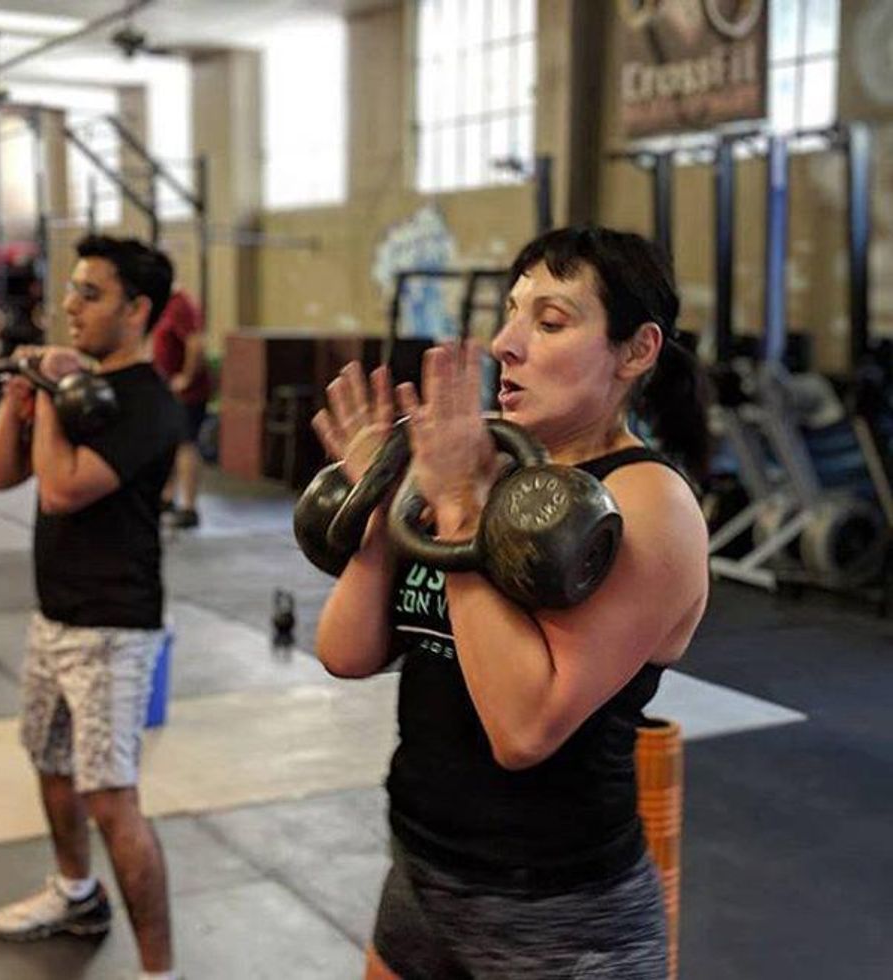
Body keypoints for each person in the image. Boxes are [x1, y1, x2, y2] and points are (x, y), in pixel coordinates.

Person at [310, 226, 711, 979]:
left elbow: (525, 730)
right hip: (422, 873)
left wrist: (457, 506)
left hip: (560, 917)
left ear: (636, 351)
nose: (504, 344)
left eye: (550, 322)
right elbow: (346, 651)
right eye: (513, 314)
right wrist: (381, 506)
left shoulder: (648, 504)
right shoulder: (483, 464)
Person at [0, 235, 186, 980]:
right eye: (71, 289)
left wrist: (58, 395)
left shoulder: (148, 405)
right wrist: (25, 397)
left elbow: (64, 486)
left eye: (90, 293)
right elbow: (4, 474)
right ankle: (75, 893)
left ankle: (158, 970)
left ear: (136, 311)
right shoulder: (78, 386)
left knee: (111, 799)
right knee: (49, 762)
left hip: (112, 629)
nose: (69, 304)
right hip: (54, 616)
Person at [150, 285, 213, 529]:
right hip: (168, 391)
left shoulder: (179, 304)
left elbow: (195, 344)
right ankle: (168, 498)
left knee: (186, 444)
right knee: (170, 444)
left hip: (188, 393)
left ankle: (189, 508)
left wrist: (186, 378)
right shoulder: (163, 304)